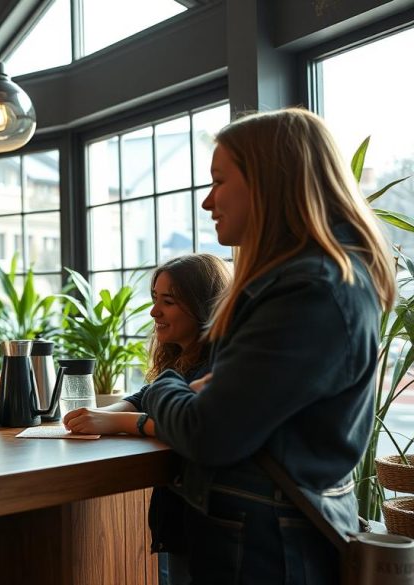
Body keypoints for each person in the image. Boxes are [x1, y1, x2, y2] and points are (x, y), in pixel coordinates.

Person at [138, 108, 395, 584]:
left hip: (265, 552)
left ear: (268, 182)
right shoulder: (309, 281)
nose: (207, 202)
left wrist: (166, 385)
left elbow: (207, 431)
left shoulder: (308, 290)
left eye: (218, 180)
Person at [64, 253, 231, 584]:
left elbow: (192, 424)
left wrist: (116, 422)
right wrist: (99, 414)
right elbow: (146, 396)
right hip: (181, 519)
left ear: (202, 306)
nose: (155, 311)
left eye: (167, 302)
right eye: (155, 299)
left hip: (207, 519)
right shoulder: (182, 358)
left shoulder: (220, 363)